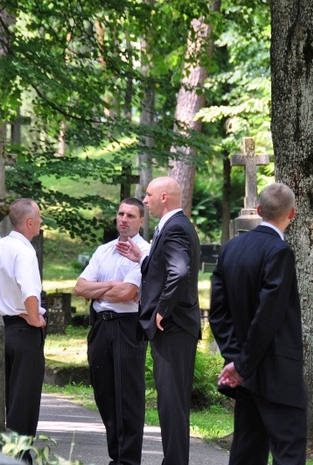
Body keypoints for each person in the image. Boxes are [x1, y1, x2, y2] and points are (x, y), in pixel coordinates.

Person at [209, 183, 307, 465]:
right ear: (292, 213)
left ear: (259, 210)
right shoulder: (280, 252)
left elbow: (218, 312)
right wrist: (242, 365)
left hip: (246, 376)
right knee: (288, 452)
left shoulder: (231, 249)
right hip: (277, 372)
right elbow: (268, 316)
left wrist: (235, 359)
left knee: (247, 452)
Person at [116, 176, 201, 465]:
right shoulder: (174, 225)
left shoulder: (175, 227)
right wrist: (143, 258)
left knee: (172, 404)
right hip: (174, 328)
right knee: (169, 403)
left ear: (164, 197)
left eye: (149, 195)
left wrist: (162, 310)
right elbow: (166, 269)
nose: (145, 200)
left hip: (173, 327)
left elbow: (179, 272)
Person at [74, 198, 150, 465]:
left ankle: (128, 461)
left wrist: (98, 289)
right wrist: (111, 286)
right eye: (120, 214)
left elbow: (127, 293)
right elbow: (80, 287)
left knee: (128, 396)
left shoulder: (145, 252)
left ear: (141, 221)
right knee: (104, 394)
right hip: (100, 327)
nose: (123, 219)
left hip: (128, 327)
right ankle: (116, 457)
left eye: (130, 215)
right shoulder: (103, 250)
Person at [0, 198, 46, 463]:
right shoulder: (24, 251)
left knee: (8, 395)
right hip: (23, 330)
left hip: (1, 328)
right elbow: (30, 293)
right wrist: (35, 319)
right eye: (39, 217)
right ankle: (18, 455)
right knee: (24, 399)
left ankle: (8, 453)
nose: (41, 221)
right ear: (29, 222)